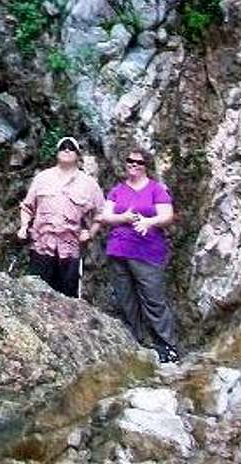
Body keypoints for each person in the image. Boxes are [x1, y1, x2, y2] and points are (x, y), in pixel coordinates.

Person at [99, 147, 181, 364]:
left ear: (147, 166)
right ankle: (136, 342)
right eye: (130, 160)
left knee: (153, 298)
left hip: (147, 250)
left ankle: (168, 345)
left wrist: (149, 222)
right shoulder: (118, 190)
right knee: (125, 298)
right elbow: (105, 216)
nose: (133, 164)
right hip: (118, 250)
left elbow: (167, 216)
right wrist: (124, 217)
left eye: (139, 162)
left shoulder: (156, 190)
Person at [17, 136, 103, 298]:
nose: (67, 149)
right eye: (63, 146)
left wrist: (90, 233)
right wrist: (23, 226)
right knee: (34, 296)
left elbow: (101, 214)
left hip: (70, 252)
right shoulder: (42, 178)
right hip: (41, 248)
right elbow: (27, 207)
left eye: (71, 147)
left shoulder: (89, 184)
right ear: (56, 153)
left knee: (68, 300)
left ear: (78, 155)